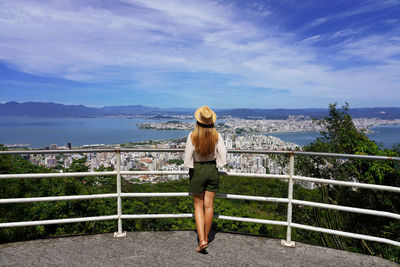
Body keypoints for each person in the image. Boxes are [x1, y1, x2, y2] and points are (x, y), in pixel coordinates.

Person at [184, 106, 227, 252]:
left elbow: (187, 158)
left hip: (197, 170)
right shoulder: (217, 135)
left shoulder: (192, 136)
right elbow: (223, 154)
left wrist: (191, 167)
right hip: (212, 170)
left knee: (198, 206)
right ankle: (207, 238)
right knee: (209, 206)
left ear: (198, 121)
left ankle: (201, 239)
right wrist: (218, 164)